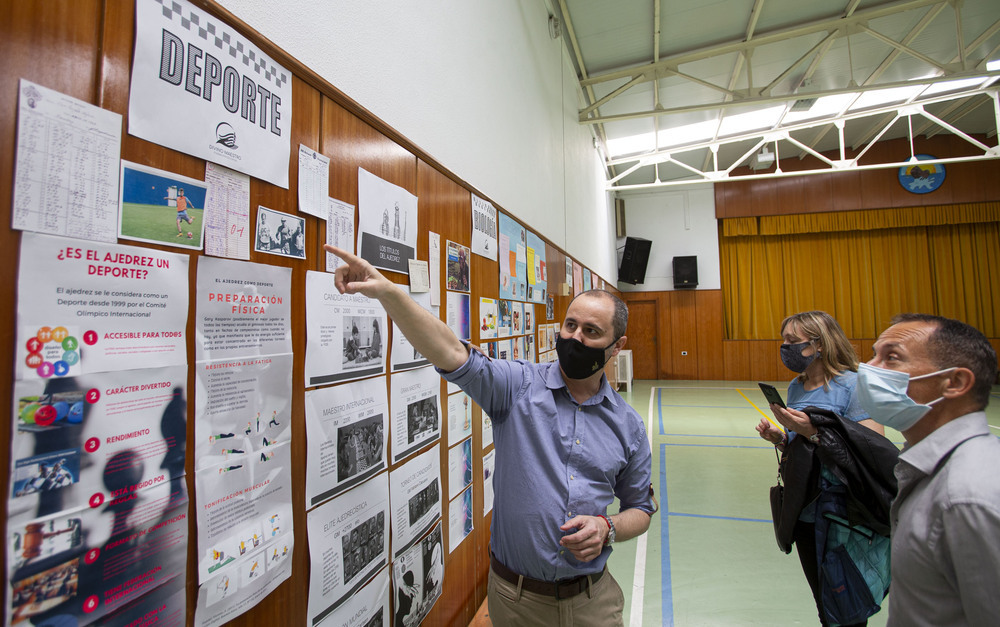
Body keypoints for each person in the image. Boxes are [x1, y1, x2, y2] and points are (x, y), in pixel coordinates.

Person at [324, 244, 655, 627]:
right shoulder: (517, 388)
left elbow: (641, 510)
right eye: (570, 325)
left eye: (591, 332)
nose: (575, 338)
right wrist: (389, 292)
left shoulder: (627, 425)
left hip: (592, 603)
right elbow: (449, 350)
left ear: (617, 347)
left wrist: (607, 527)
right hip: (516, 601)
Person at [756, 311, 896, 626]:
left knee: (846, 607)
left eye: (793, 341)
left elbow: (870, 452)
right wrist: (781, 438)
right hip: (804, 509)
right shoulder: (796, 387)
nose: (785, 347)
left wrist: (814, 433)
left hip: (842, 514)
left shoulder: (854, 384)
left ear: (819, 344)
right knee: (824, 605)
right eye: (784, 340)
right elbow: (801, 449)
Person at [859, 314, 1000, 625]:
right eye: (874, 354)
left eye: (891, 358)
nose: (868, 368)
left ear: (955, 382)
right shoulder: (926, 468)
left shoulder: (968, 497)